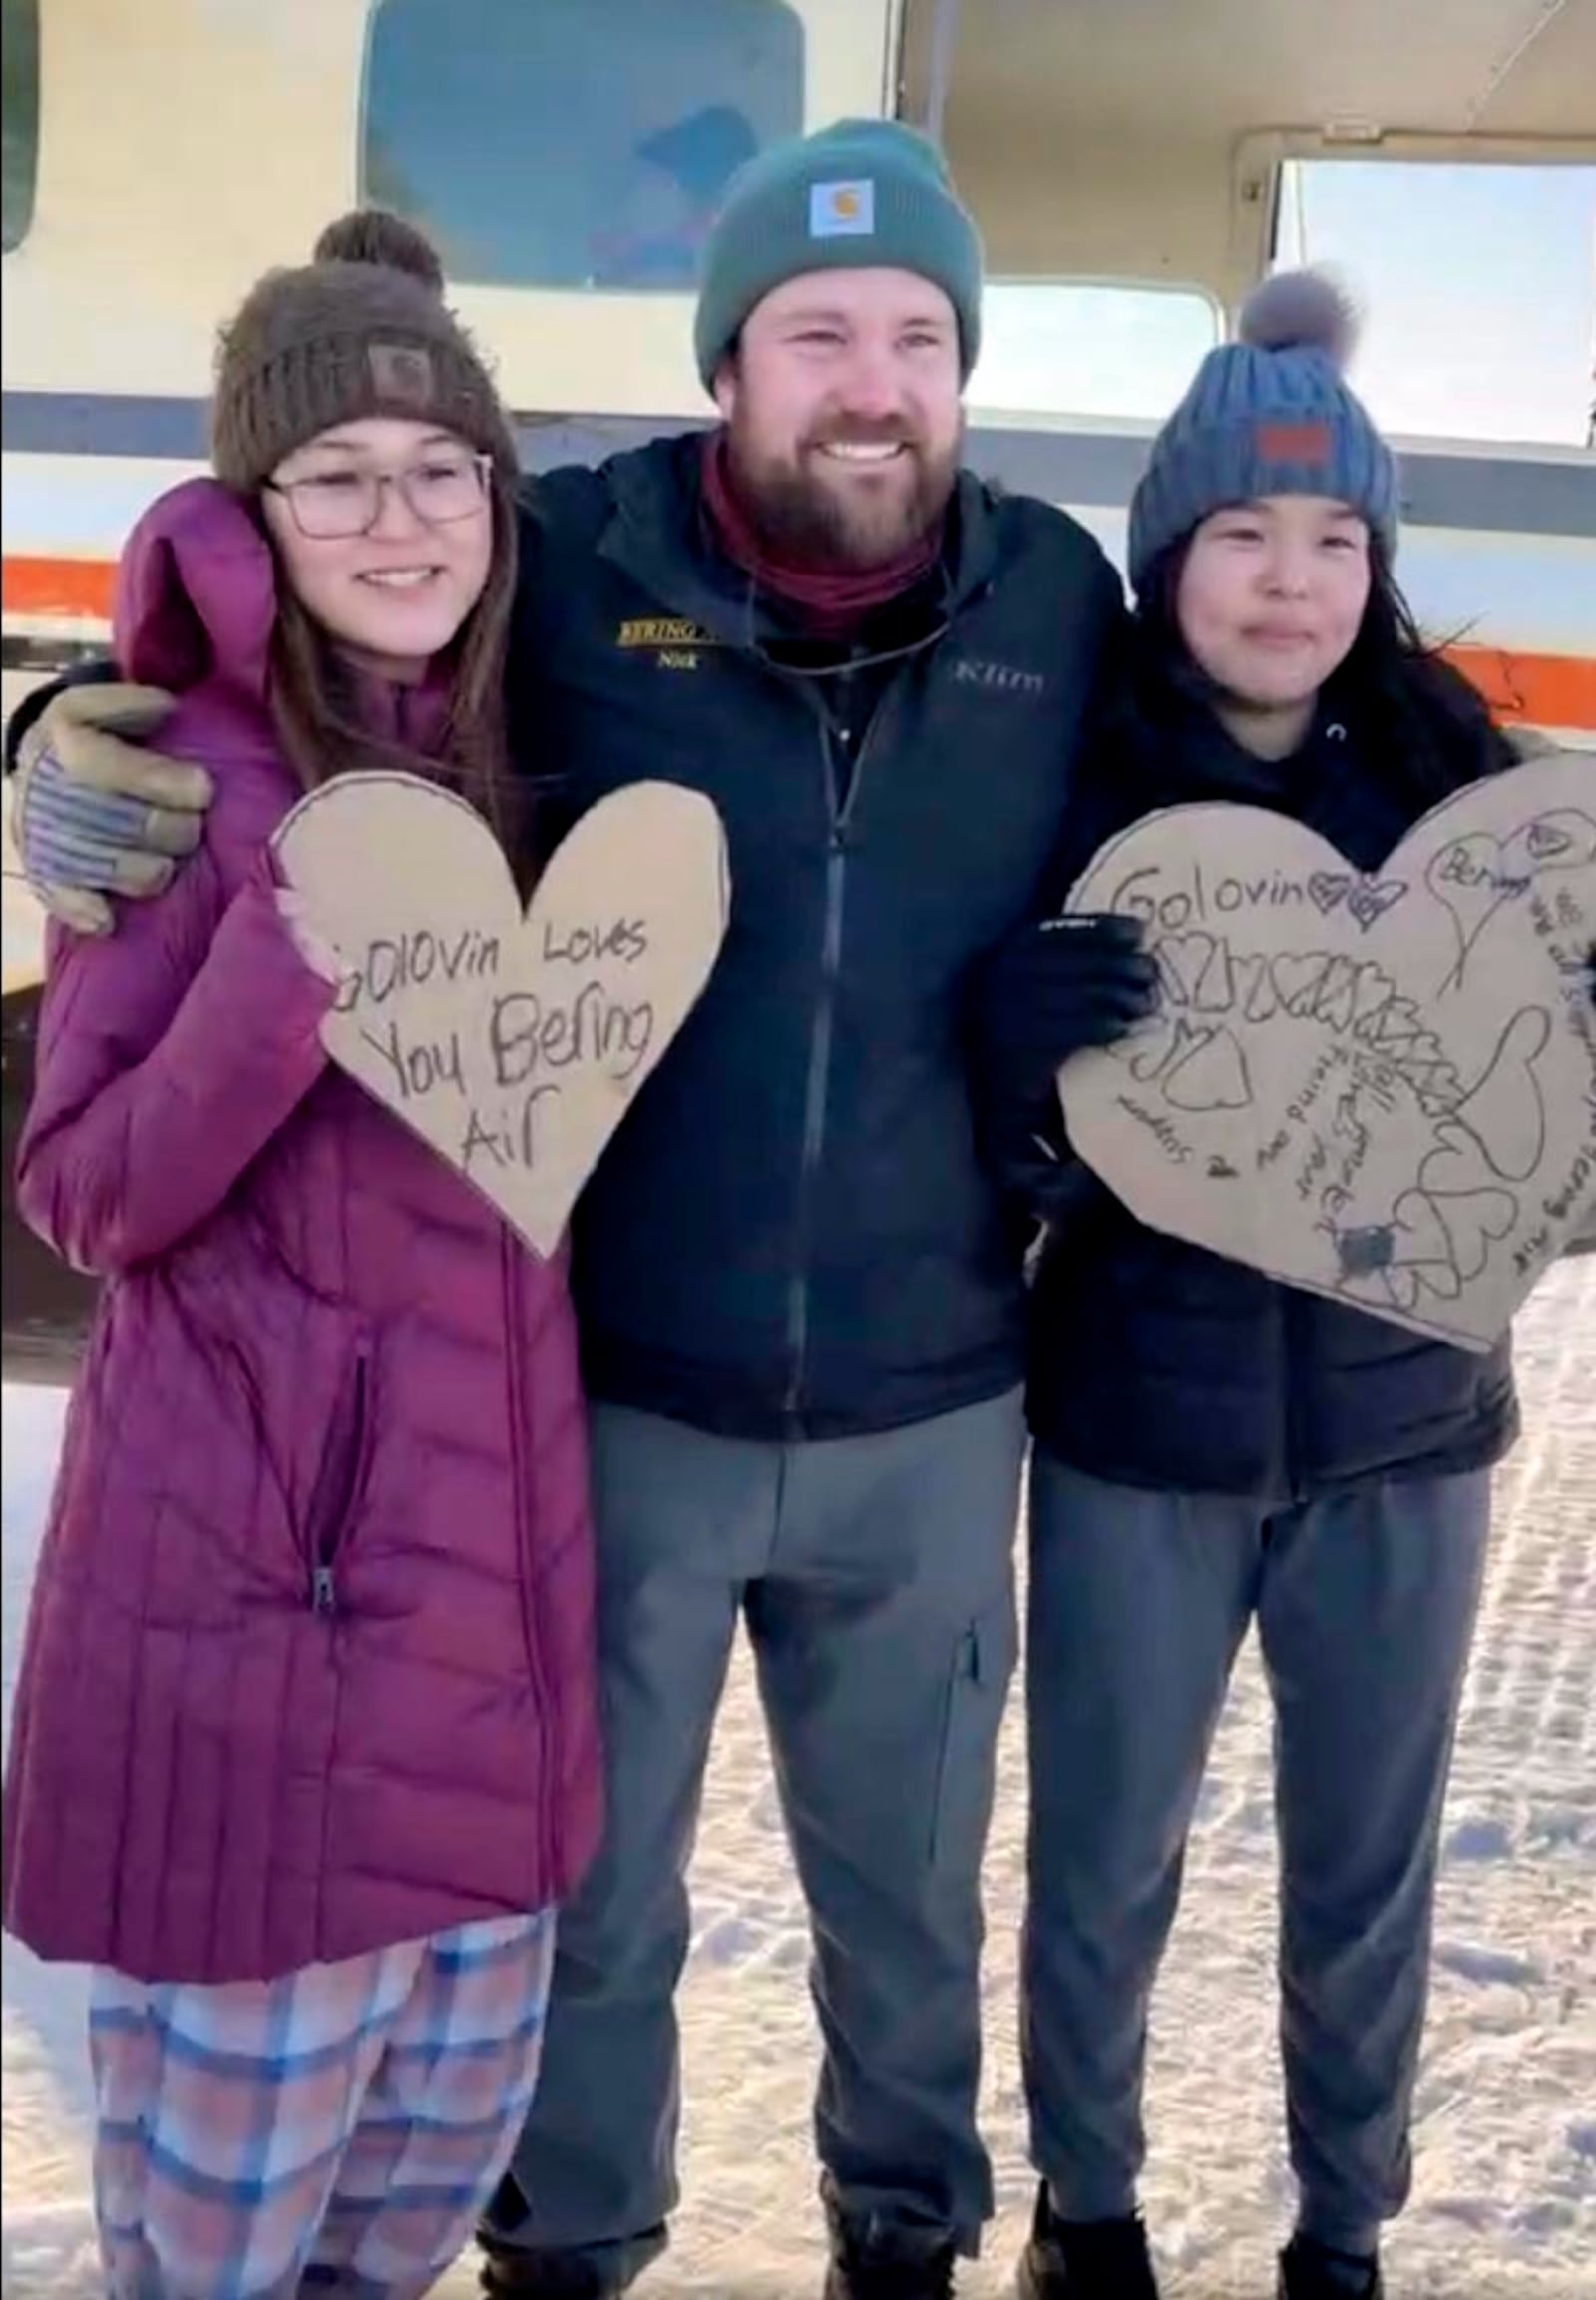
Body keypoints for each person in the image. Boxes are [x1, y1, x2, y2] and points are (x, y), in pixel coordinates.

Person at [6, 121, 1126, 2298]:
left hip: (924, 1383)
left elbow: (1249, 754)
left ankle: (901, 2234)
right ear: (729, 362)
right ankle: (571, 2244)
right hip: (625, 1376)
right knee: (582, 1898)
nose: (867, 380)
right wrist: (78, 718)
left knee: (900, 1888)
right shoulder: (571, 561)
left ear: (966, 370)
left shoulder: (1052, 601)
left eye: (914, 333)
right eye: (813, 334)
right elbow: (307, 586)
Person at [968, 271, 1587, 2300]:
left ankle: (1343, 2225)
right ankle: (1087, 2209)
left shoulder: (1466, 804)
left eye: (1334, 539)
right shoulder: (1067, 796)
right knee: (1103, 1854)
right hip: (1139, 1428)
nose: (1288, 579)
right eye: (1240, 532)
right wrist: (1017, 1057)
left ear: (1377, 568)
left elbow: (1546, 1155)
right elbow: (1004, 1161)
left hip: (1401, 1436)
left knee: (1361, 1870)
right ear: (1166, 558)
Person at [2, 211, 601, 2300]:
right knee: (220, 2257)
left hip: (485, 1639)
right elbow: (82, 1189)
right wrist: (285, 950)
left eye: (439, 466)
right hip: (257, 1628)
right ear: (254, 506)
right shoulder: (170, 778)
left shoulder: (525, 748)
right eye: (334, 471)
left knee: (398, 2241)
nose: (398, 512)